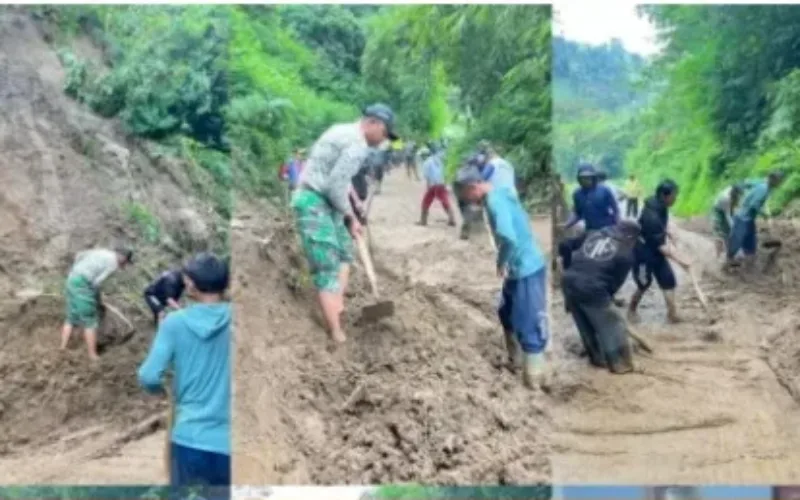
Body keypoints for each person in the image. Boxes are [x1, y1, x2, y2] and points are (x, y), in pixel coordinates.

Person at [291, 104, 395, 343]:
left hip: (327, 200)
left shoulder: (342, 131)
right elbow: (334, 186)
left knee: (346, 254)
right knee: (327, 266)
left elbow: (339, 177)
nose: (384, 140)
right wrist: (349, 216)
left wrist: (351, 214)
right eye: (385, 133)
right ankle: (337, 335)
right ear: (375, 124)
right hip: (313, 201)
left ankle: (337, 307)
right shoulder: (356, 145)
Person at [138, 252, 231, 495]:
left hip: (189, 439)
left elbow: (149, 376)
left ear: (190, 284)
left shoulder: (174, 323)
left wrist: (162, 392)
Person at [457, 169, 548, 389]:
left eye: (465, 195)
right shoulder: (499, 193)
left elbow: (508, 237)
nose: (466, 201)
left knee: (528, 322)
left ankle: (533, 380)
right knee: (505, 312)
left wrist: (501, 261)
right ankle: (515, 361)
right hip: (517, 268)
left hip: (527, 267)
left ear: (473, 188)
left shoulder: (496, 202)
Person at [562, 220, 641, 373]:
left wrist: (568, 267)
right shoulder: (626, 254)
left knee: (585, 324)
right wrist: (606, 302)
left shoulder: (594, 234)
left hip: (568, 281)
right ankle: (620, 364)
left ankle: (597, 358)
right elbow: (614, 283)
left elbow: (565, 245)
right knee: (613, 323)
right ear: (632, 237)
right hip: (592, 287)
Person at [628, 179, 691, 323]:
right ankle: (631, 309)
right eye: (674, 195)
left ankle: (672, 314)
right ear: (664, 195)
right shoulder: (651, 216)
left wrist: (669, 232)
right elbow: (662, 247)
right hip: (643, 255)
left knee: (668, 280)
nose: (675, 198)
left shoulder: (661, 207)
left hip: (655, 251)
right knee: (644, 283)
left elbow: (663, 226)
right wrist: (682, 261)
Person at [60, 247, 133, 360]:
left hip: (72, 279)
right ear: (122, 257)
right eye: (126, 262)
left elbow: (79, 255)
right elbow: (96, 283)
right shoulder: (113, 263)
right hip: (83, 284)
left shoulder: (102, 251)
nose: (125, 265)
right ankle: (92, 355)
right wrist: (98, 300)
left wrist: (78, 271)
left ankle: (62, 347)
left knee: (71, 317)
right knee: (90, 320)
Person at [558, 164, 619, 271]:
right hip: (589, 231)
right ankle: (567, 272)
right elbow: (577, 213)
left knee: (602, 257)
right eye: (583, 178)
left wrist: (617, 228)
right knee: (564, 245)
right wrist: (567, 224)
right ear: (579, 179)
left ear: (593, 178)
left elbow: (616, 210)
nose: (586, 180)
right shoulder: (577, 194)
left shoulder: (604, 191)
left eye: (588, 177)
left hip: (606, 231)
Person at [727, 171, 785, 269]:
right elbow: (754, 205)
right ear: (773, 180)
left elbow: (746, 182)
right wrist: (764, 214)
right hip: (743, 217)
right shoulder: (764, 189)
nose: (779, 184)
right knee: (738, 239)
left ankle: (749, 260)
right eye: (778, 181)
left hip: (749, 218)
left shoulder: (763, 183)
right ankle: (730, 260)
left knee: (750, 239)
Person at [418, 146, 456, 227]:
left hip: (433, 185)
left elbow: (427, 176)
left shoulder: (426, 163)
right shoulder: (438, 160)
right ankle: (452, 219)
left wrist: (428, 187)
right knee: (445, 202)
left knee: (425, 202)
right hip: (441, 184)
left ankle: (423, 221)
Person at [711, 183, 745, 258]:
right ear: (734, 194)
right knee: (722, 233)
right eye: (738, 195)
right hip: (719, 210)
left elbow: (737, 208)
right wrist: (734, 227)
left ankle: (733, 252)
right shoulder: (725, 198)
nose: (739, 197)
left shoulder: (736, 195)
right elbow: (728, 216)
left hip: (728, 208)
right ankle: (719, 256)